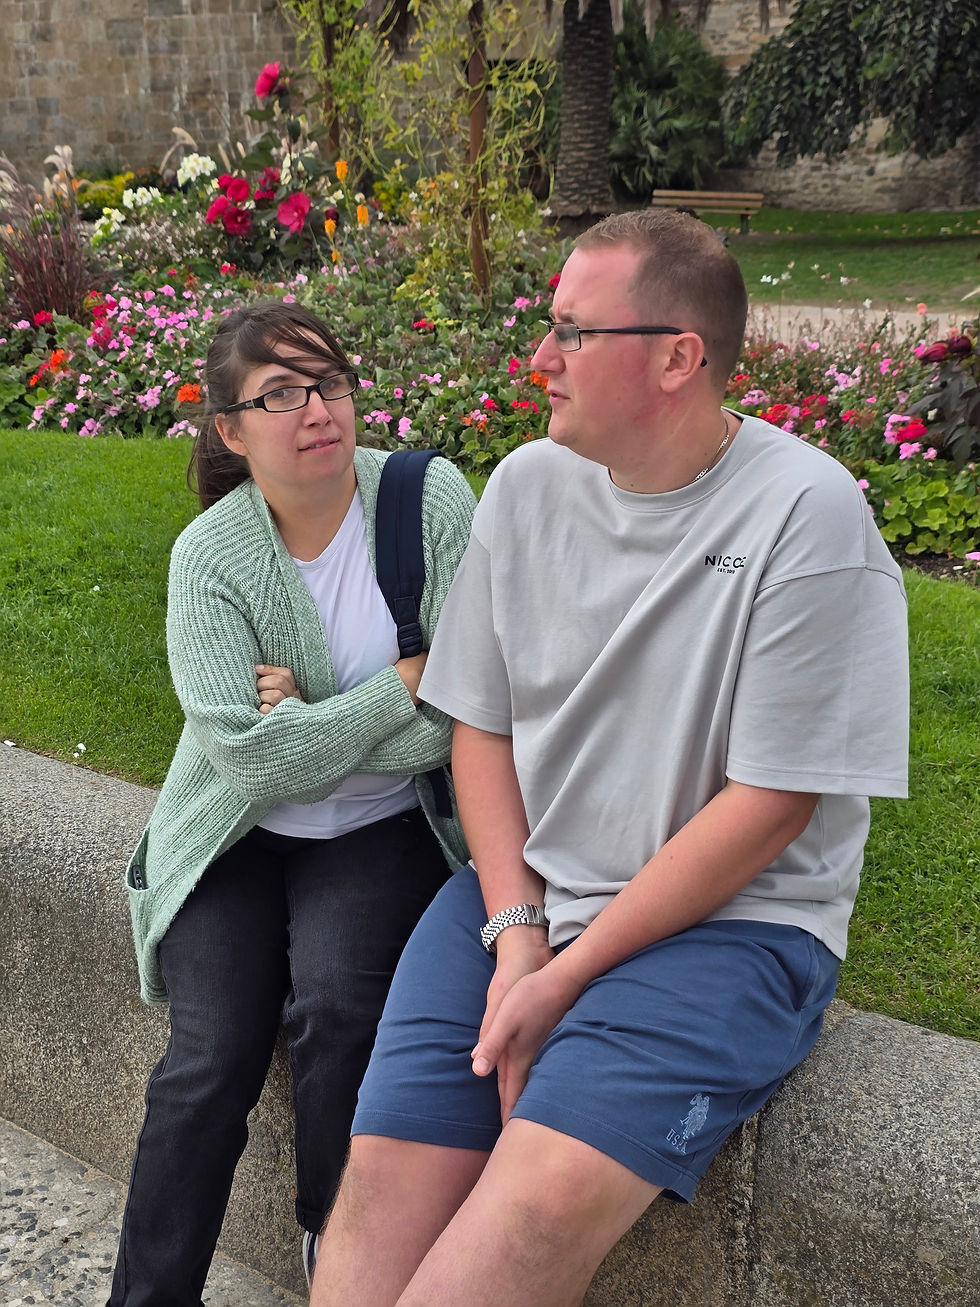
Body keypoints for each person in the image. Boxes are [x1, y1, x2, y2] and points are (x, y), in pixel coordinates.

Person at [309, 210, 910, 1307]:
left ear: (678, 357)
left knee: (529, 1214)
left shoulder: (805, 514)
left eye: (573, 332)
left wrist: (566, 976)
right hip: (525, 888)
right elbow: (479, 725)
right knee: (378, 1194)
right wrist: (517, 937)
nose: (540, 358)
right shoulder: (528, 485)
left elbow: (773, 803)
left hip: (733, 926)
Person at [107, 300, 475, 1306]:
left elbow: (464, 712)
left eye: (329, 382)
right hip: (234, 834)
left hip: (378, 826)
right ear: (231, 429)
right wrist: (394, 686)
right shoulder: (212, 556)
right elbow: (250, 761)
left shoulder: (426, 500)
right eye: (280, 394)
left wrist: (312, 718)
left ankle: (335, 1246)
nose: (317, 409)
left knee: (340, 1006)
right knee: (208, 1058)